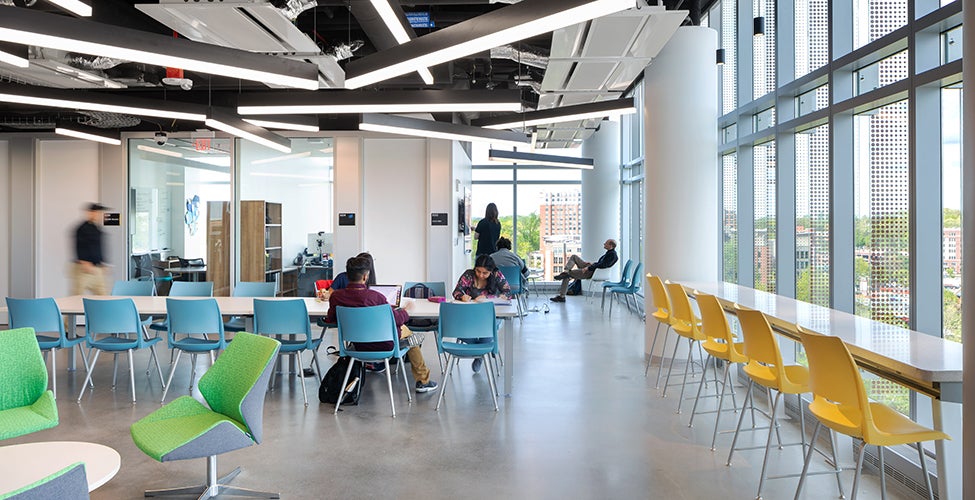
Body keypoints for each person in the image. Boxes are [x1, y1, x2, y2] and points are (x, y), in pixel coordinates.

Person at [325, 256, 438, 393]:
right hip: (384, 345)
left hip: (356, 346)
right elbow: (396, 320)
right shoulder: (375, 297)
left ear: (347, 275)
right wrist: (405, 311)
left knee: (406, 334)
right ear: (365, 276)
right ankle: (423, 381)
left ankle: (406, 343)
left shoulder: (336, 297)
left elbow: (331, 319)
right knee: (410, 335)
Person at [452, 254, 511, 373]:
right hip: (470, 314)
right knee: (458, 329)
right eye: (478, 271)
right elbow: (456, 291)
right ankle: (488, 348)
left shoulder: (496, 275)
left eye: (485, 273)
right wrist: (462, 296)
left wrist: (488, 298)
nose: (481, 275)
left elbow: (508, 292)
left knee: (488, 328)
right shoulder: (469, 275)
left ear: (491, 271)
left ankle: (480, 355)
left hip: (492, 314)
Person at [550, 239, 619, 303]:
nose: (604, 244)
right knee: (574, 257)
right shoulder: (609, 253)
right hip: (592, 268)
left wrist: (588, 268)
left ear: (611, 245)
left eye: (606, 243)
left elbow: (603, 265)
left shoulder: (612, 255)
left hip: (591, 272)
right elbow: (600, 264)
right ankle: (566, 271)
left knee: (567, 275)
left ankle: (562, 296)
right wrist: (591, 264)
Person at [71, 202, 110, 296]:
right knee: (77, 297)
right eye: (98, 212)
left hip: (97, 269)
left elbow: (98, 247)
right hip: (83, 270)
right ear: (91, 213)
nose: (100, 215)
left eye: (101, 213)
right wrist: (84, 262)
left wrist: (103, 263)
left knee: (103, 296)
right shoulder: (82, 228)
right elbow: (79, 246)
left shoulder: (97, 229)